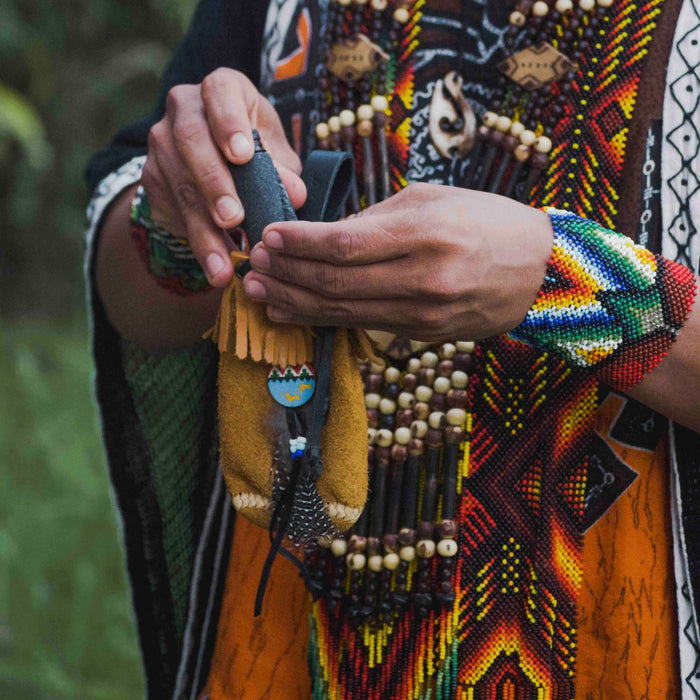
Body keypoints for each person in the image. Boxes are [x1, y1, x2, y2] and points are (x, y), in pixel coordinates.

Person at [85, 0, 700, 697]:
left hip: (612, 643)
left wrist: (561, 278)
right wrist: (180, 217)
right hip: (290, 633)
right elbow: (139, 309)